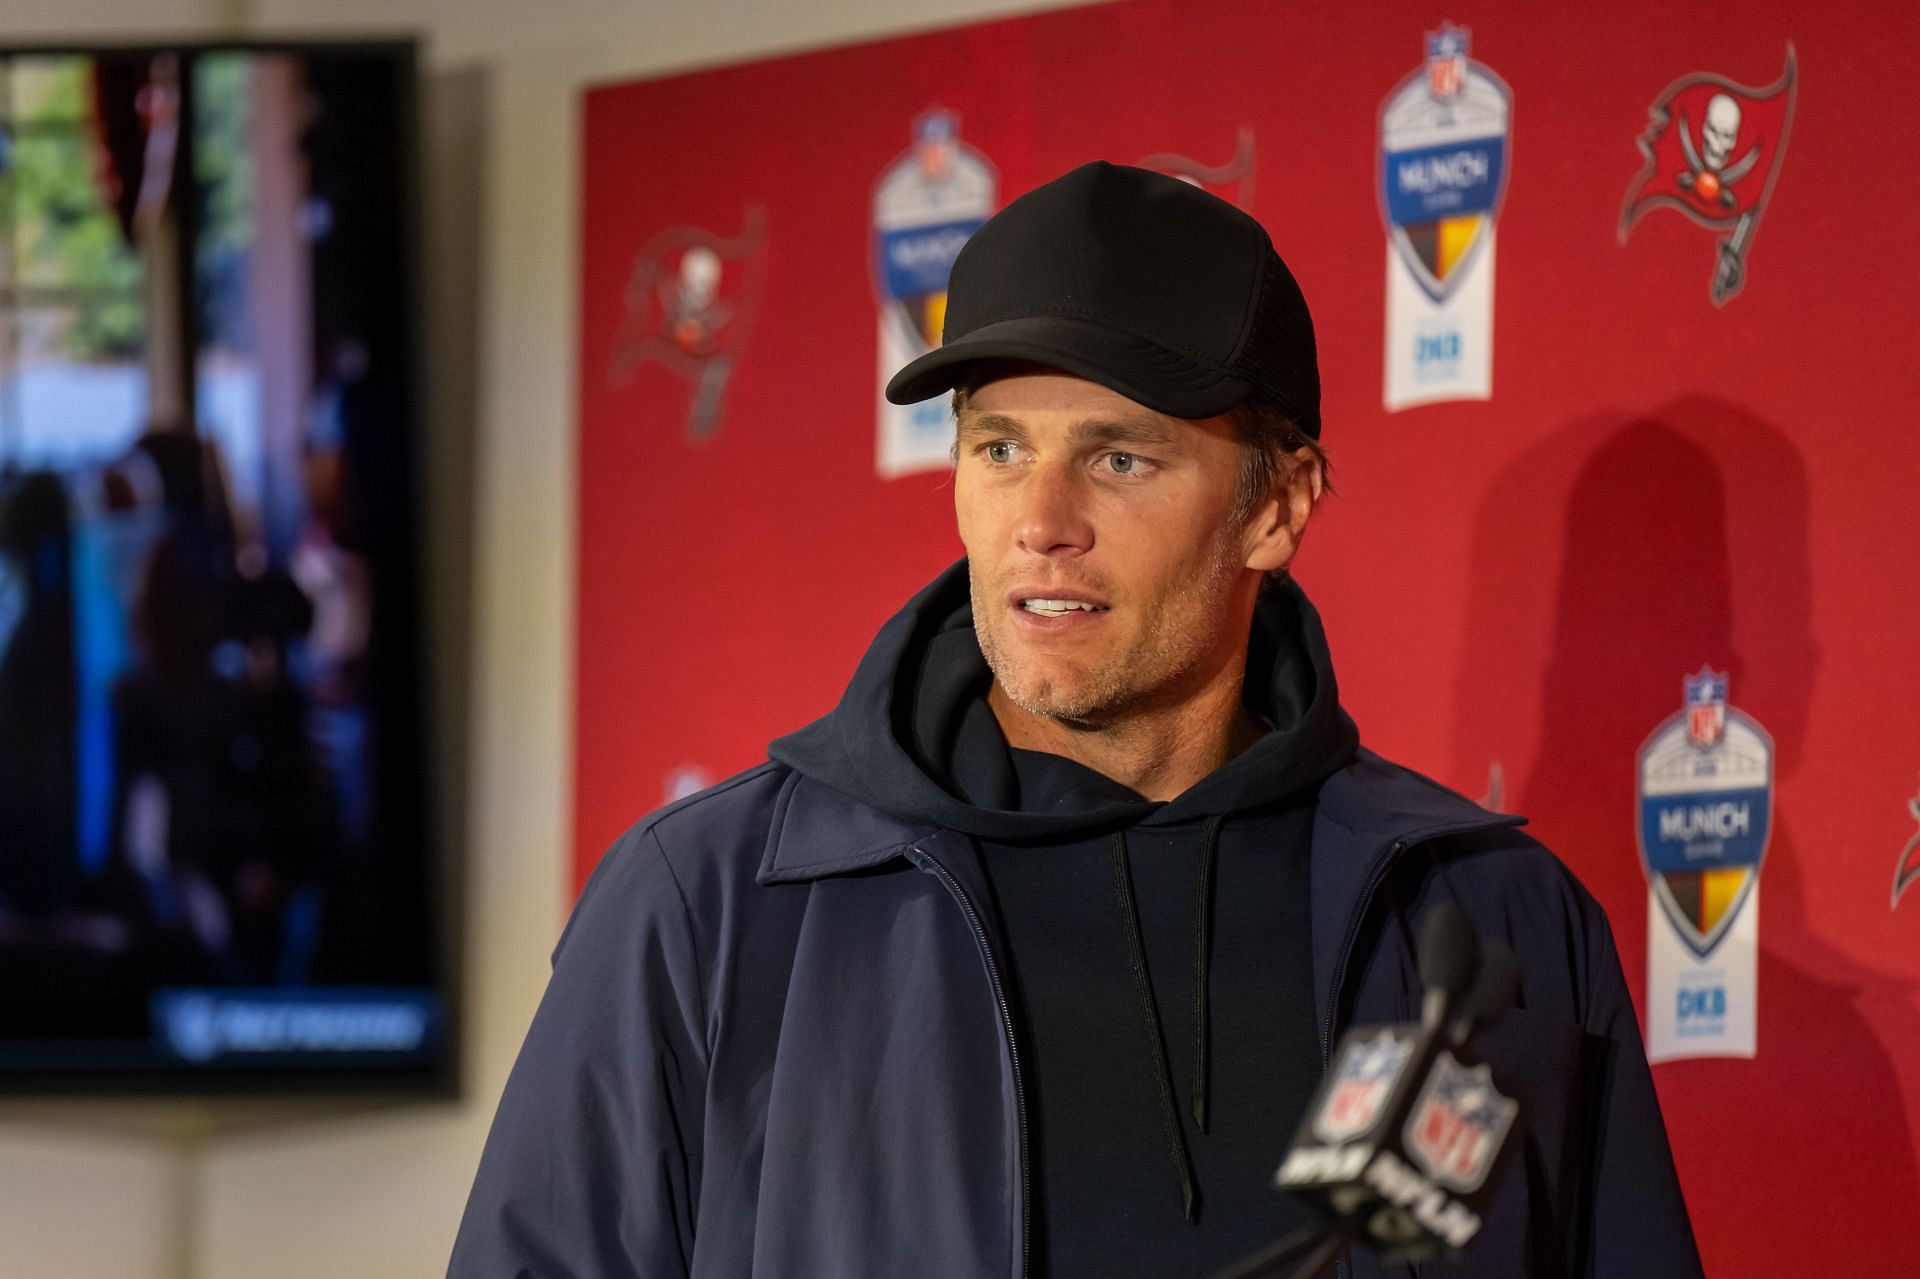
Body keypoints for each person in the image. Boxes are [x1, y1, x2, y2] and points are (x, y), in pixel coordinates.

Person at [450, 162, 1702, 1279]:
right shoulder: (712, 905)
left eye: (1119, 458)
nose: (1040, 518)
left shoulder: (1499, 917)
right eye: (997, 448)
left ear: (1278, 506)